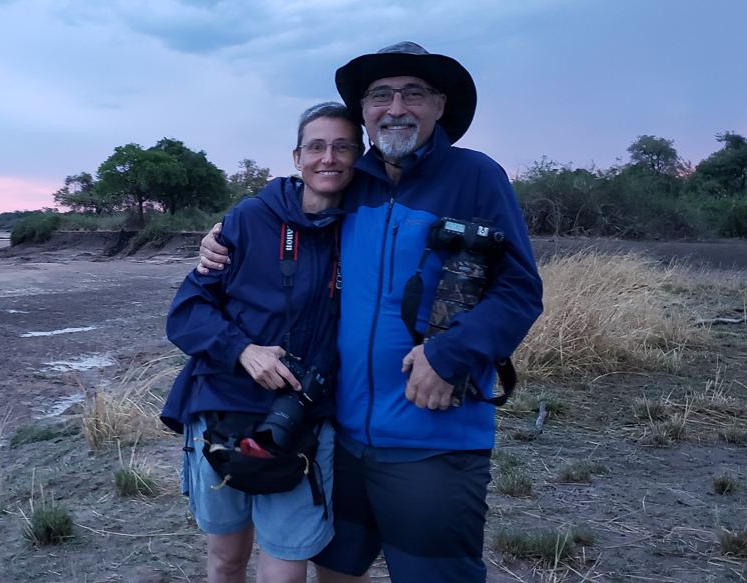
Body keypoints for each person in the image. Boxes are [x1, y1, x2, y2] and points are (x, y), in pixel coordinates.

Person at [198, 42, 544, 582]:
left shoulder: (476, 176)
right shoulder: (351, 183)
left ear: (439, 105)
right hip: (342, 437)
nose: (396, 106)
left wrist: (449, 355)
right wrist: (222, 234)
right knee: (335, 574)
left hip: (434, 438)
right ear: (364, 112)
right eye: (380, 94)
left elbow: (520, 290)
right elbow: (285, 199)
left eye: (413, 93)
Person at [162, 102, 363, 583]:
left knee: (288, 563)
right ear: (297, 157)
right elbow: (186, 312)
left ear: (359, 157)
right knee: (226, 559)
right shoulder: (249, 218)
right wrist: (243, 351)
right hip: (223, 408)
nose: (328, 158)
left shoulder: (366, 225)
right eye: (316, 147)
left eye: (342, 147)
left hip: (304, 417)